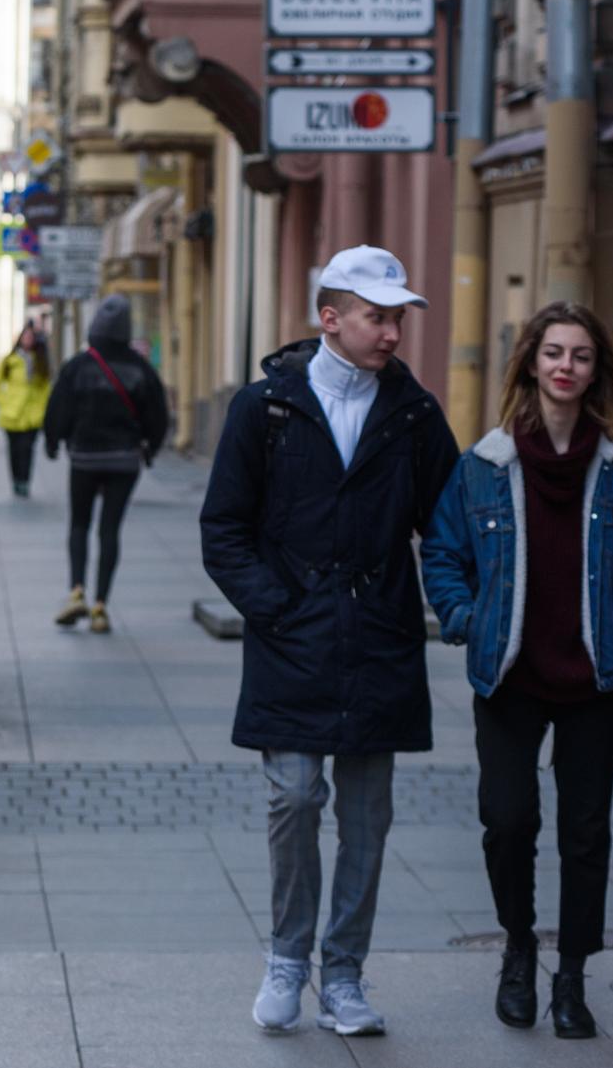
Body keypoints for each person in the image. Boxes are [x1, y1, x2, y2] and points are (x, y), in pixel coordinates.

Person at [199, 245, 459, 1037]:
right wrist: (274, 604)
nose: (392, 334)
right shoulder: (266, 407)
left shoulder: (413, 415)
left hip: (379, 639)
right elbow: (223, 527)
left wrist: (463, 604)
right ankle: (287, 958)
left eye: (397, 319)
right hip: (293, 640)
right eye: (377, 317)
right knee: (295, 795)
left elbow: (445, 525)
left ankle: (343, 973)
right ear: (331, 318)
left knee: (368, 816)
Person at [419, 302, 613, 1039]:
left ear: (596, 370)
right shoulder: (485, 465)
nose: (566, 366)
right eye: (553, 352)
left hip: (596, 677)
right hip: (510, 674)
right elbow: (442, 552)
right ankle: (520, 949)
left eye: (581, 355)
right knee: (507, 819)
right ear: (531, 362)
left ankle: (573, 977)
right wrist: (464, 617)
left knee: (585, 831)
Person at [43, 294, 167, 633]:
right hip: (124, 461)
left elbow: (58, 408)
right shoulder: (141, 369)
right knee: (110, 529)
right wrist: (150, 449)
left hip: (84, 458)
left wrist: (54, 441)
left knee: (79, 524)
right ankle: (100, 606)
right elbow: (158, 415)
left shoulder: (78, 366)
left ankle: (76, 592)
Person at [0, 322, 53, 497]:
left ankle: (25, 481)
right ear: (20, 339)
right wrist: (3, 403)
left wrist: (41, 409)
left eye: (31, 337)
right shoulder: (9, 361)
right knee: (14, 450)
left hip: (31, 415)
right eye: (25, 336)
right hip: (11, 414)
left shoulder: (40, 361)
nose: (28, 339)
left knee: (27, 449)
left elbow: (45, 388)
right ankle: (16, 480)